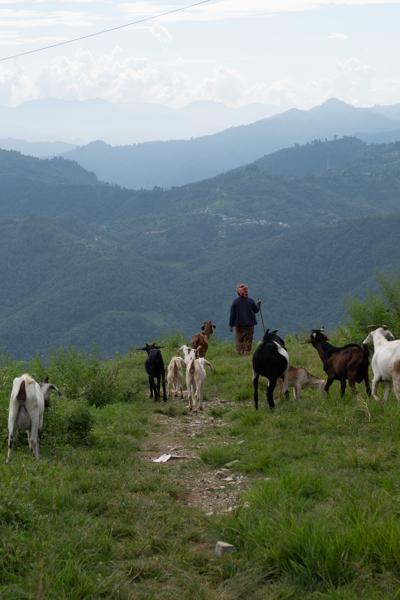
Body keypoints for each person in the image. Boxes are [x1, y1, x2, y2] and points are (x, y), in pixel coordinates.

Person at [229, 283, 261, 355]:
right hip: (250, 325)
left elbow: (232, 315)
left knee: (239, 340)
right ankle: (246, 353)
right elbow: (256, 310)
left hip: (239, 326)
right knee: (248, 340)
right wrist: (258, 304)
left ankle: (240, 353)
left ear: (238, 293)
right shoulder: (251, 301)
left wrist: (231, 325)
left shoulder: (235, 302)